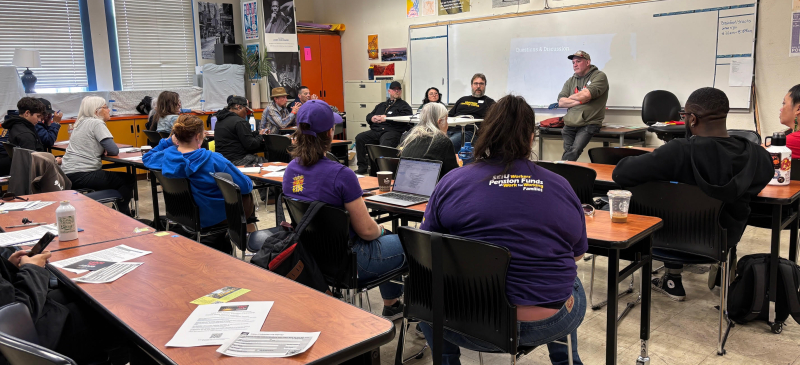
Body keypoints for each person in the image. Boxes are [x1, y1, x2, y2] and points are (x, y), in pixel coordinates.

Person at [419, 95, 586, 365]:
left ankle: (448, 361)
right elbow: (577, 254)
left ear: (486, 134)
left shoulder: (452, 182)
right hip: (550, 321)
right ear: (531, 139)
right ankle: (566, 362)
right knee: (571, 278)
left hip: (469, 323)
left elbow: (426, 247)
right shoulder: (561, 186)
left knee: (428, 287)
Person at [612, 87, 773, 301]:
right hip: (720, 242)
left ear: (693, 119)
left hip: (664, 240)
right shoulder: (758, 156)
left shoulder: (678, 151)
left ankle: (672, 276)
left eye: (685, 116)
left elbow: (620, 173)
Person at [283, 99, 406, 320]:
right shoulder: (342, 175)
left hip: (311, 257)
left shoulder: (291, 169)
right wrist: (380, 230)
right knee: (411, 243)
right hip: (351, 261)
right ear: (330, 133)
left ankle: (393, 304)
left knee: (387, 238)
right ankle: (408, 310)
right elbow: (367, 232)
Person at [143, 115, 254, 254]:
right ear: (198, 136)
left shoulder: (166, 156)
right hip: (211, 216)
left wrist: (168, 142)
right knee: (245, 195)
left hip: (181, 215)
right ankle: (249, 240)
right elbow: (245, 186)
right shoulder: (213, 159)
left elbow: (147, 157)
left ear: (176, 136)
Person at [61, 96, 136, 216]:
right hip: (84, 174)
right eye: (106, 107)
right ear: (97, 111)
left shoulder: (80, 123)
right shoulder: (97, 123)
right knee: (128, 179)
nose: (109, 110)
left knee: (109, 179)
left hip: (67, 174)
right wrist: (105, 150)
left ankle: (114, 212)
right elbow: (113, 150)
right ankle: (122, 216)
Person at [557, 51, 609, 161]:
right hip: (570, 123)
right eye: (573, 62)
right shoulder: (570, 81)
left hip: (589, 122)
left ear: (587, 62)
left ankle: (561, 169)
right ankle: (565, 169)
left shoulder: (599, 76)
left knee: (574, 151)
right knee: (569, 152)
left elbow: (586, 95)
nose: (575, 65)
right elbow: (561, 102)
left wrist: (572, 98)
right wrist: (580, 101)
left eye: (578, 61)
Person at [354, 81, 413, 174]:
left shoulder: (404, 106)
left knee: (385, 142)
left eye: (399, 89)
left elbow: (406, 118)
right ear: (389, 91)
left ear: (401, 91)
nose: (397, 91)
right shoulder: (381, 105)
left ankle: (382, 169)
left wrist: (387, 118)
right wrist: (372, 118)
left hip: (393, 131)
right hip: (377, 130)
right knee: (360, 137)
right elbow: (369, 115)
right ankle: (362, 167)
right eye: (394, 89)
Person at [399, 103, 459, 179]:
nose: (448, 125)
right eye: (446, 120)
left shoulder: (409, 137)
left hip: (404, 183)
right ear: (440, 121)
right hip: (428, 184)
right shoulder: (443, 141)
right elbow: (452, 174)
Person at [447, 73, 496, 152]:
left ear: (485, 86)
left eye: (481, 84)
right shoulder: (462, 99)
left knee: (447, 145)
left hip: (469, 132)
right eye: (475, 83)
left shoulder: (489, 102)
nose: (478, 86)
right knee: (433, 143)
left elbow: (494, 122)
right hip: (450, 130)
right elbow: (449, 115)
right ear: (471, 85)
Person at [214, 96, 266, 166]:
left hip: (222, 161)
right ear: (239, 107)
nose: (246, 114)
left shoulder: (220, 121)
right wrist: (261, 136)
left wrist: (257, 133)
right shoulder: (239, 122)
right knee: (266, 163)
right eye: (246, 110)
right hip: (237, 161)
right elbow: (251, 145)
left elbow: (238, 136)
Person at [780, 84, 800, 154]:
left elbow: (758, 153)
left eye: (784, 103)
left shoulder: (794, 140)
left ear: (798, 109)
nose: (781, 109)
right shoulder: (790, 132)